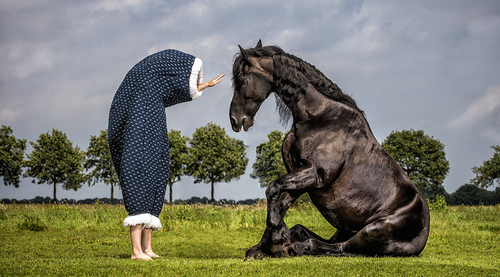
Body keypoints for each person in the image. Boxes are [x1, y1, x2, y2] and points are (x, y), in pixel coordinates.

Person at [108, 49, 225, 260]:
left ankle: (148, 248)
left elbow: (176, 91)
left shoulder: (155, 98)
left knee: (155, 182)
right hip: (144, 135)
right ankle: (136, 251)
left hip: (156, 134)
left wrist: (206, 85)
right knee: (140, 184)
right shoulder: (141, 96)